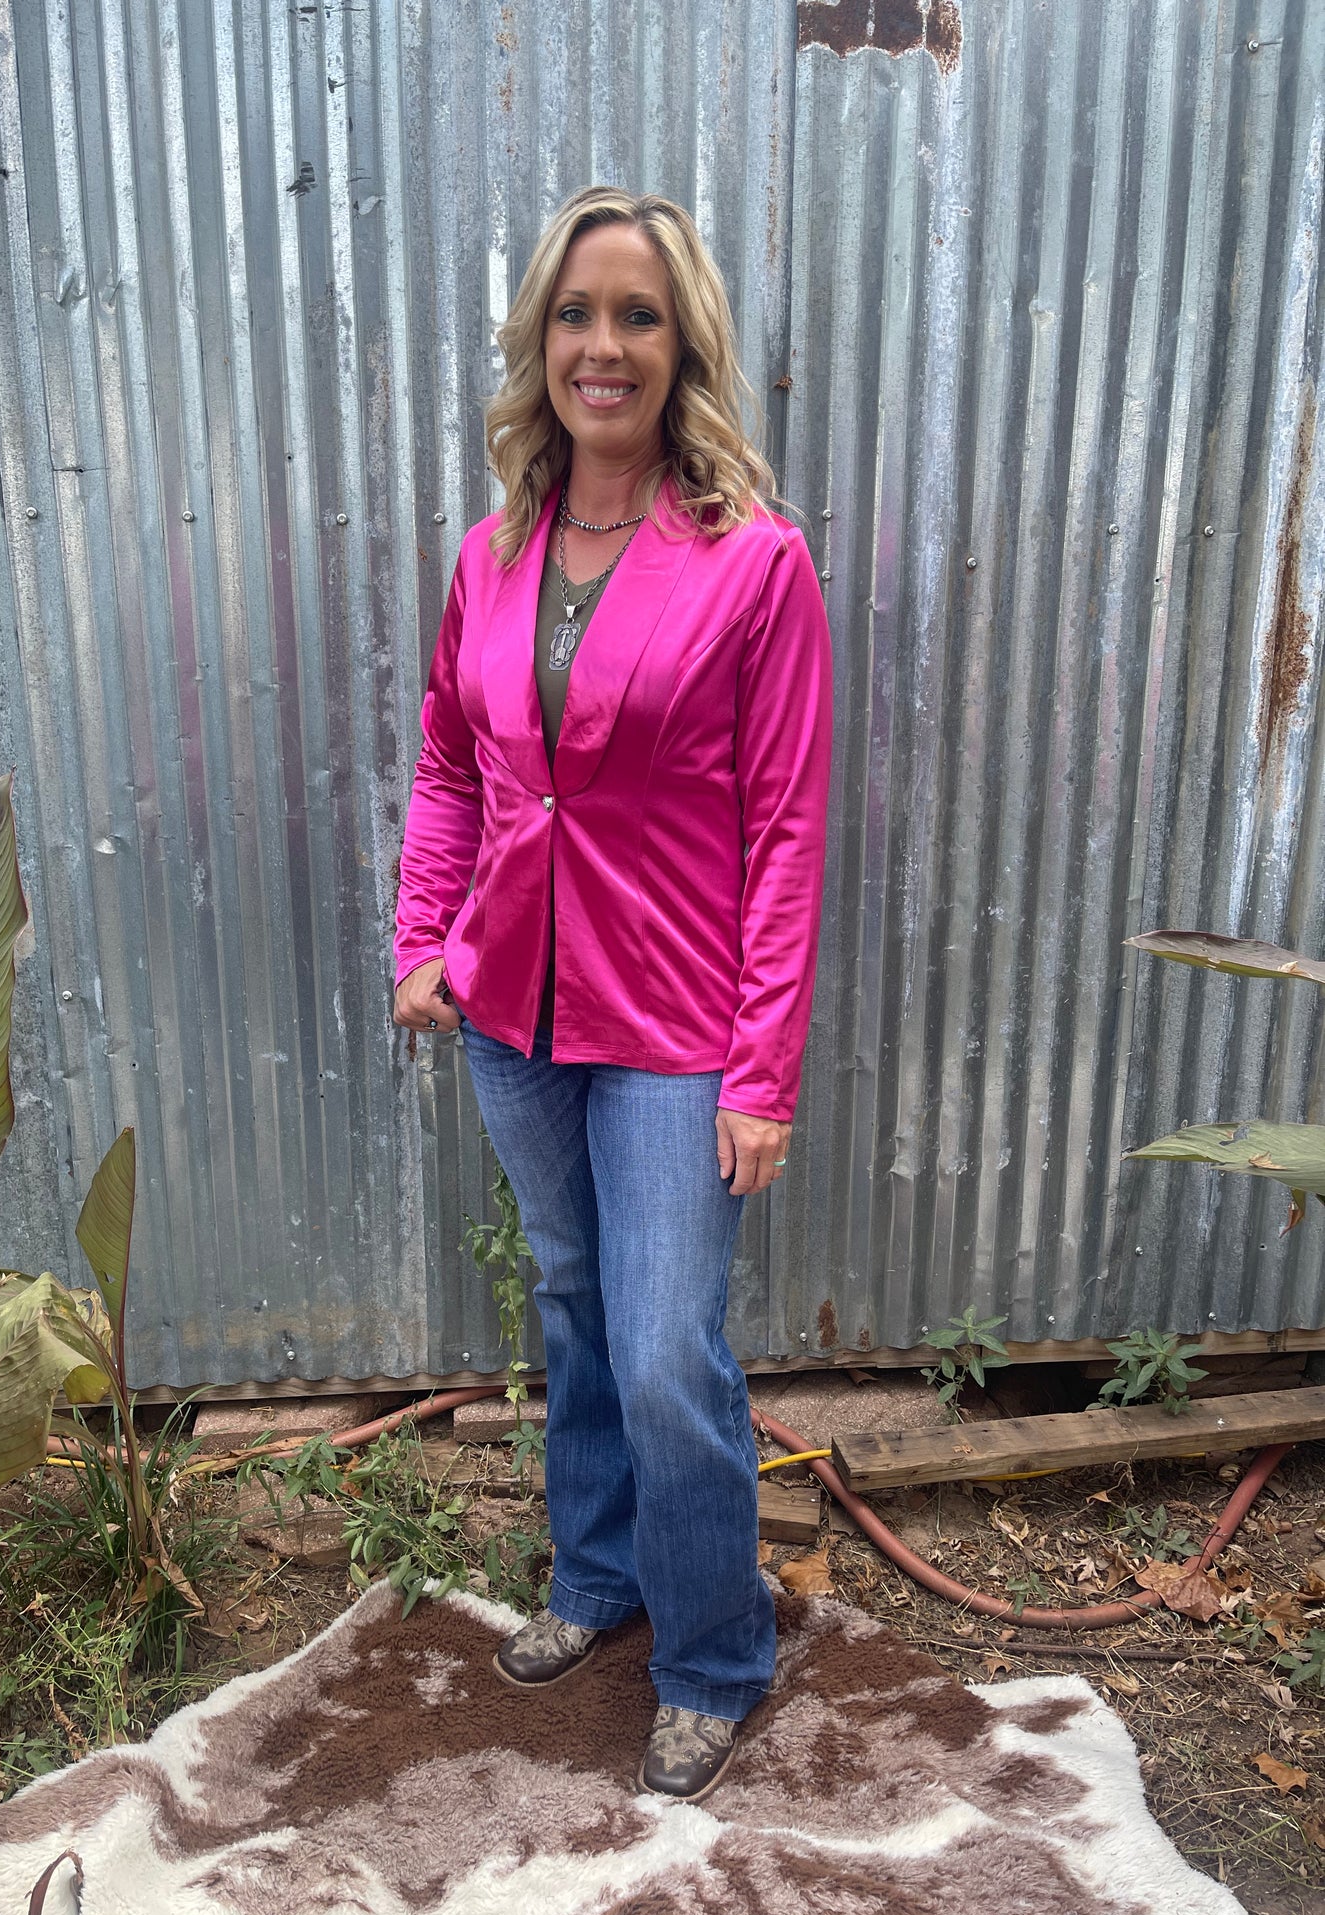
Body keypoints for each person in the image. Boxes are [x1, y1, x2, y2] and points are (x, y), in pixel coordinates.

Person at [393, 186, 832, 1801]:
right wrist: (422, 936)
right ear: (541, 340)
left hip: (676, 1024)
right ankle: (598, 1579)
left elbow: (785, 826)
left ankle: (713, 1649)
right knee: (572, 1300)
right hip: (514, 1010)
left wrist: (763, 1067)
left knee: (663, 1345)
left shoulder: (751, 563)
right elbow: (451, 758)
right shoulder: (493, 549)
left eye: (637, 316)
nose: (603, 345)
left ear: (681, 344)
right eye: (577, 314)